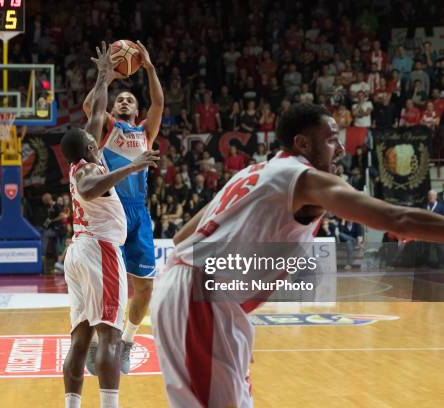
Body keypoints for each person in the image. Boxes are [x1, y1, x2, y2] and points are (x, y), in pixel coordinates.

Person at [151, 103, 444, 408]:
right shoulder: (304, 178)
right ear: (303, 143)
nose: (342, 148)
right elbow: (398, 220)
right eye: (332, 139)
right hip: (203, 297)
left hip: (191, 292)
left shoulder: (254, 172)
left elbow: (182, 236)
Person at [61, 42, 159, 408]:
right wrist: (134, 166)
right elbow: (88, 190)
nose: (96, 132)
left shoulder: (85, 156)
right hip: (99, 251)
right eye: (91, 137)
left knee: (81, 340)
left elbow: (98, 107)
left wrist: (104, 73)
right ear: (88, 147)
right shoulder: (88, 169)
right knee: (110, 337)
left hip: (79, 251)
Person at [82, 40, 164, 374]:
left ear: (136, 109)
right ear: (114, 110)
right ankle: (98, 342)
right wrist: (109, 77)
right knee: (102, 284)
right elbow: (91, 107)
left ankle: (128, 341)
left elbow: (158, 102)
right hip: (109, 209)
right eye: (120, 100)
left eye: (130, 99)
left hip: (138, 213)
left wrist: (148, 66)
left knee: (144, 286)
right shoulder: (108, 128)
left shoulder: (146, 131)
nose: (126, 101)